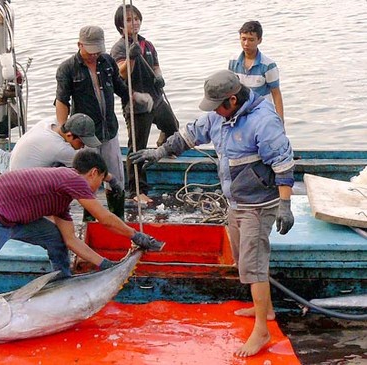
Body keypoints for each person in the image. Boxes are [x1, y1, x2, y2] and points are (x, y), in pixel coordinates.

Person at [0, 150, 163, 365]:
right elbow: (104, 218)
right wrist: (137, 236)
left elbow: (71, 241)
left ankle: (62, 289)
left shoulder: (62, 196)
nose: (98, 188)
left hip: (16, 220)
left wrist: (106, 265)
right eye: (100, 182)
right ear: (93, 173)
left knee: (56, 239)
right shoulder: (72, 179)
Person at [129, 70, 295, 357]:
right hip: (236, 201)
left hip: (258, 204)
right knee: (244, 257)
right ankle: (264, 310)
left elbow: (283, 162)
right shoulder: (219, 116)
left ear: (232, 100)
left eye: (218, 105)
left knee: (252, 264)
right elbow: (191, 133)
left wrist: (285, 204)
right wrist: (157, 153)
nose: (215, 112)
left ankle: (262, 330)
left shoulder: (263, 121)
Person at [55, 25, 133, 221]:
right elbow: (62, 101)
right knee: (88, 179)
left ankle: (117, 218)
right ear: (79, 45)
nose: (94, 55)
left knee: (115, 176)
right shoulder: (67, 69)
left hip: (109, 130)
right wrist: (64, 129)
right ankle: (89, 220)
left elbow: (120, 88)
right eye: (91, 51)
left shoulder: (107, 61)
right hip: (86, 134)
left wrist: (135, 97)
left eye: (98, 51)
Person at [110, 4, 178, 203]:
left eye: (137, 18)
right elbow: (121, 74)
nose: (135, 23)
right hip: (136, 104)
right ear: (121, 26)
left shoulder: (147, 44)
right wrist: (130, 58)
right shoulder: (119, 48)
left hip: (155, 98)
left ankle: (162, 146)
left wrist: (160, 77)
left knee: (172, 125)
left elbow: (156, 66)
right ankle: (137, 189)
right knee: (137, 147)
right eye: (129, 20)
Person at [9, 112, 123, 197]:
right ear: (69, 135)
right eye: (82, 142)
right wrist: (112, 180)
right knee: (77, 175)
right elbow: (91, 169)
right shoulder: (60, 149)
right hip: (23, 190)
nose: (83, 146)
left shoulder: (50, 123)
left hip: (15, 177)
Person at [228, 20, 285, 123]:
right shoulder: (233, 61)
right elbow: (230, 89)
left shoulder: (268, 65)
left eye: (251, 40)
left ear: (259, 40)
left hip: (262, 114)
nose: (246, 44)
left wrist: (280, 121)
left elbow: (276, 94)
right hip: (240, 114)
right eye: (243, 39)